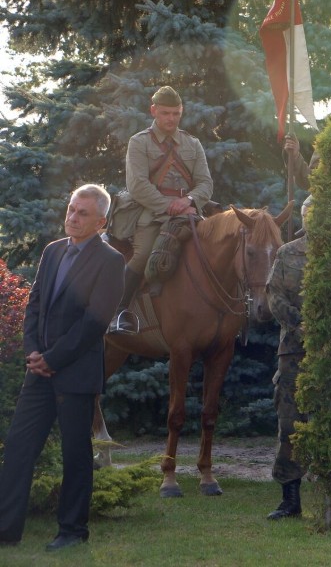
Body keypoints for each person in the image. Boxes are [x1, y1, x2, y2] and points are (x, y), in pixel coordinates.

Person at [0, 184, 124, 551]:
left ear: (101, 221)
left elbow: (93, 323)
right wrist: (34, 353)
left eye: (82, 213)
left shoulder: (110, 261)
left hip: (75, 375)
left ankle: (72, 531)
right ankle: (6, 529)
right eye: (71, 209)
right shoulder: (53, 251)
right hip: (39, 372)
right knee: (20, 446)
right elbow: (34, 305)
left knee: (75, 454)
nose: (73, 216)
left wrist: (52, 359)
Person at [264, 196, 331, 522]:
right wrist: (300, 323)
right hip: (294, 352)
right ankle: (289, 499)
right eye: (309, 214)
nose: (314, 219)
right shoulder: (287, 253)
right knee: (290, 425)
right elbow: (273, 296)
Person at [109, 85, 214, 333]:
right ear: (153, 110)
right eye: (165, 113)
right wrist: (171, 206)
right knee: (144, 253)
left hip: (189, 210)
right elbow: (137, 185)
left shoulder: (192, 143)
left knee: (216, 249)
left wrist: (189, 200)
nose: (171, 119)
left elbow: (206, 183)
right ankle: (118, 312)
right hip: (152, 212)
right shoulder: (139, 142)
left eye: (176, 113)